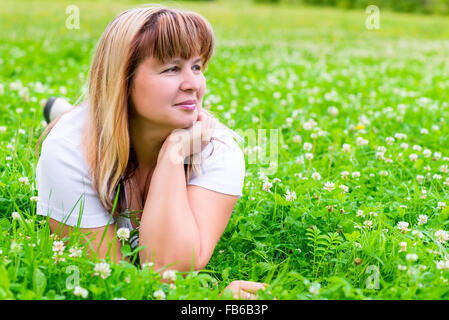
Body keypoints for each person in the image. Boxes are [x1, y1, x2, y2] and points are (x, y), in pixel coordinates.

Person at [34, 5, 268, 300]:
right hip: (94, 128)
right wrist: (211, 298)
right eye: (172, 68)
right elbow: (116, 279)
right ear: (123, 79)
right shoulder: (68, 149)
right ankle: (65, 112)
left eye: (196, 66)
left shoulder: (218, 149)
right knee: (79, 126)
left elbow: (169, 268)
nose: (193, 84)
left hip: (118, 120)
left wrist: (173, 154)